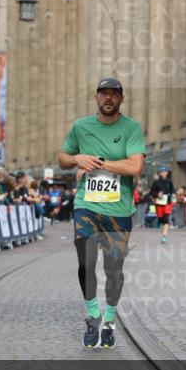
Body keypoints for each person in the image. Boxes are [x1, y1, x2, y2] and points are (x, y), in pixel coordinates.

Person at [58, 78, 145, 349]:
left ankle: (109, 320)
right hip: (87, 205)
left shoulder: (131, 128)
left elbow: (135, 167)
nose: (108, 98)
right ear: (95, 96)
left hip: (119, 210)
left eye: (114, 94)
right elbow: (62, 158)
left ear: (121, 98)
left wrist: (97, 163)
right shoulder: (81, 126)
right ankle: (92, 315)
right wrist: (76, 159)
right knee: (86, 259)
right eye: (104, 94)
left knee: (113, 269)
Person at [149, 165, 175, 243]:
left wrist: (173, 195)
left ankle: (164, 236)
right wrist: (157, 194)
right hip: (159, 203)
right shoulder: (156, 182)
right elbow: (151, 192)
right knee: (160, 218)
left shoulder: (169, 181)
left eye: (165, 171)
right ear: (159, 173)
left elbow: (172, 190)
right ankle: (159, 221)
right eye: (162, 172)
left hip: (167, 202)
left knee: (166, 219)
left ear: (167, 173)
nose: (164, 173)